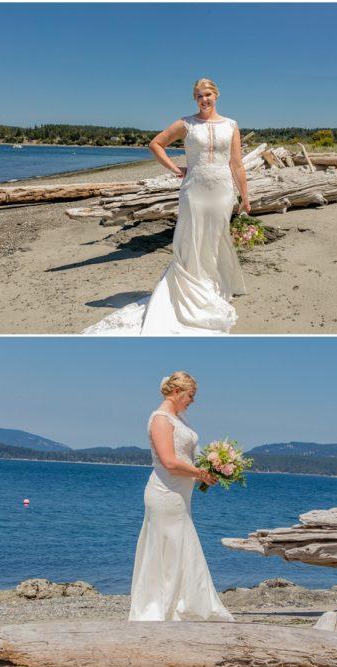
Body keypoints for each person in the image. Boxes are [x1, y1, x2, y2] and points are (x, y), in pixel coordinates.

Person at [85, 78, 248, 335]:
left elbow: (236, 164)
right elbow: (156, 144)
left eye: (207, 95)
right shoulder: (187, 123)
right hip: (194, 189)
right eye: (198, 96)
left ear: (216, 95)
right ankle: (192, 291)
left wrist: (245, 196)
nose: (203, 100)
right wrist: (176, 169)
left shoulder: (231, 125)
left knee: (217, 237)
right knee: (190, 239)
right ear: (195, 100)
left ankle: (214, 288)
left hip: (222, 191)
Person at [128, 372, 234, 621]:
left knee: (180, 544)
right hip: (165, 493)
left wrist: (212, 467)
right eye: (190, 396)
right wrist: (200, 474)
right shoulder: (161, 420)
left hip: (181, 494)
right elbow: (169, 462)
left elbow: (185, 456)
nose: (192, 401)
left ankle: (184, 604)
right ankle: (163, 607)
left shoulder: (178, 419)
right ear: (177, 393)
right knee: (168, 546)